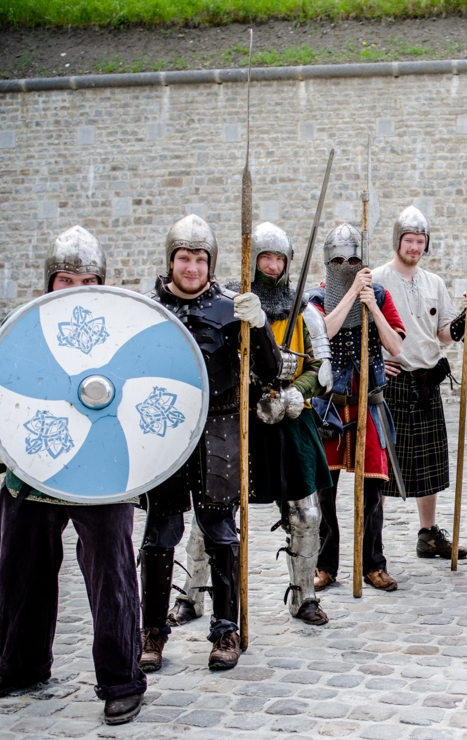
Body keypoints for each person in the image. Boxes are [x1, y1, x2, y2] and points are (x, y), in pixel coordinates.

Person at [0, 225, 147, 724]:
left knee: (111, 577)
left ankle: (120, 679)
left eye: (86, 279)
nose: (74, 289)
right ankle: (22, 665)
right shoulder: (25, 322)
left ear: (102, 281)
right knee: (21, 572)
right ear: (49, 282)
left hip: (101, 469)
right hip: (32, 467)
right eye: (64, 279)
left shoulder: (124, 326)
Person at [138, 214, 280, 673]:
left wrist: (258, 325)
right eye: (184, 257)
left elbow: (271, 369)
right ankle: (152, 632)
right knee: (160, 534)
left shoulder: (229, 307)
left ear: (210, 261)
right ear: (171, 260)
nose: (192, 267)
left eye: (200, 258)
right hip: (165, 430)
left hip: (219, 431)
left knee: (220, 533)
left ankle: (225, 630)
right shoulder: (146, 309)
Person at [237, 221, 335, 625]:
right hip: (242, 420)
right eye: (266, 257)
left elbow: (322, 368)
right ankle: (194, 593)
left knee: (306, 514)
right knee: (217, 511)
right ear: (252, 260)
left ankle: (304, 595)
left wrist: (297, 394)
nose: (273, 266)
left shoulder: (305, 312)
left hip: (294, 420)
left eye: (279, 258)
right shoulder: (234, 306)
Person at [372, 206, 467, 560]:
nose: (414, 247)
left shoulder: (434, 283)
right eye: (409, 240)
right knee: (384, 465)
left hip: (427, 379)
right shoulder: (378, 279)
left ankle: (428, 534)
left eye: (420, 241)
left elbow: (445, 335)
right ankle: (374, 544)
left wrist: (464, 319)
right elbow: (366, 329)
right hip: (394, 381)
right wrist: (375, 364)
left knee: (429, 467)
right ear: (397, 241)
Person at [309, 222, 406, 592]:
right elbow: (325, 332)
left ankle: (372, 564)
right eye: (338, 259)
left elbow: (395, 347)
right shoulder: (316, 298)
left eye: (353, 259)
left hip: (368, 404)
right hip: (330, 407)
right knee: (325, 493)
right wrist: (351, 292)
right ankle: (325, 564)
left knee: (372, 494)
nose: (346, 264)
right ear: (327, 262)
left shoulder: (379, 295)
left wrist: (371, 305)